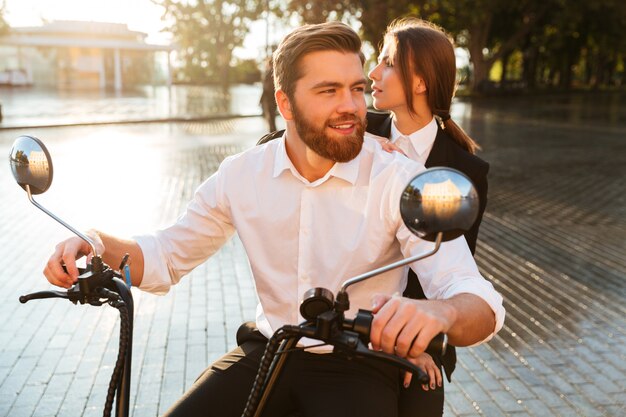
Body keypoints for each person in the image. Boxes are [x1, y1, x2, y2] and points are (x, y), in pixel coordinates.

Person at [44, 22, 504, 417]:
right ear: (285, 104)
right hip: (270, 349)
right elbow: (165, 255)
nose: (351, 105)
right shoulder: (243, 173)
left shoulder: (397, 177)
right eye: (328, 91)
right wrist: (96, 241)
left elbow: (477, 299)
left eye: (357, 88)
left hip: (362, 363)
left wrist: (440, 312)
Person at [367, 18, 490, 417]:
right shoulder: (359, 132)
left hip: (420, 336)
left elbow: (453, 276)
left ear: (420, 82)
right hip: (346, 317)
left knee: (421, 397)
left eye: (387, 63)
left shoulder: (464, 170)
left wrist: (418, 344)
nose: (373, 72)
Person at [260, 57, 277, 132]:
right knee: (271, 116)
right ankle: (272, 131)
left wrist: (261, 99)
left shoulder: (269, 73)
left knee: (270, 116)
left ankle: (272, 132)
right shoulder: (272, 73)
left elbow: (266, 88)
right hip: (271, 98)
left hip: (269, 98)